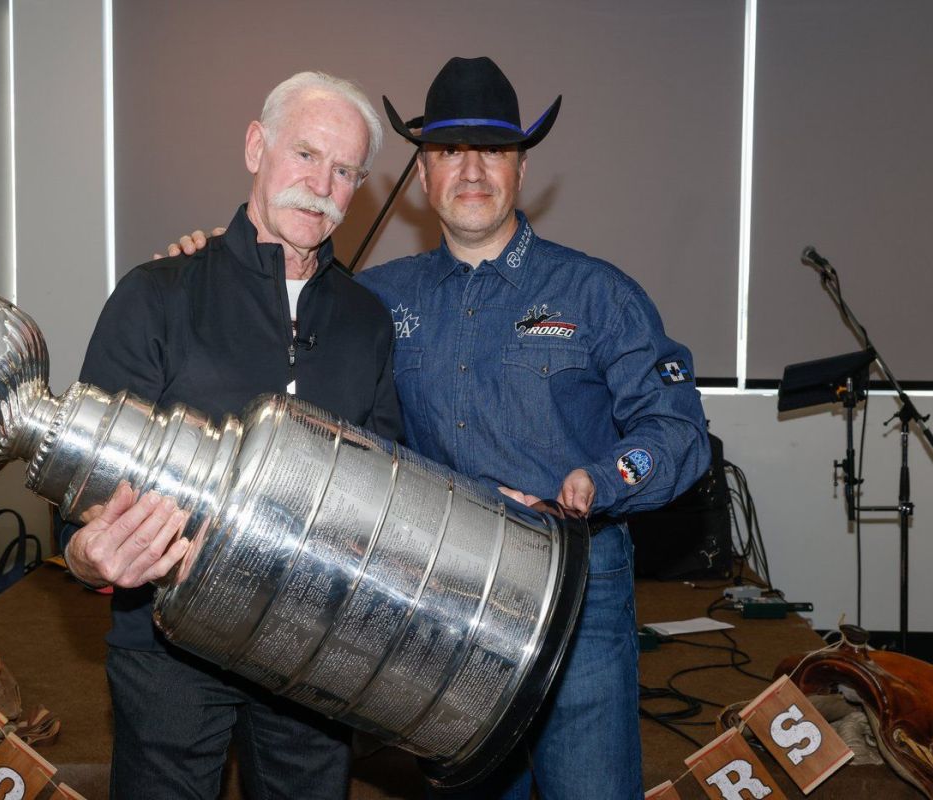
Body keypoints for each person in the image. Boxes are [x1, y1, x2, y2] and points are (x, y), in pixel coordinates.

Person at [172, 57, 710, 800]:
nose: (472, 170)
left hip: (579, 594)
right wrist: (208, 263)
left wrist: (603, 479)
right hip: (443, 605)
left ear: (521, 168)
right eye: (449, 151)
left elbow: (677, 428)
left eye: (492, 150)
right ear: (423, 176)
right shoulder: (372, 301)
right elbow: (279, 339)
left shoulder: (599, 293)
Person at [58, 71, 402, 800]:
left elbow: (387, 488)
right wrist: (87, 551)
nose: (321, 184)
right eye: (306, 155)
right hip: (167, 653)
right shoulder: (158, 294)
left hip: (314, 661)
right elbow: (76, 479)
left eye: (344, 171)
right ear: (257, 146)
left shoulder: (368, 322)